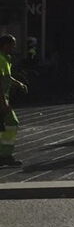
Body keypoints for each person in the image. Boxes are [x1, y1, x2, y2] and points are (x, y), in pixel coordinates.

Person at [0, 34, 27, 167]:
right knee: (12, 122)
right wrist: (3, 102)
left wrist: (18, 83)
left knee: (7, 124)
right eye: (12, 45)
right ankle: (5, 155)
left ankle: (4, 154)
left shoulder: (6, 58)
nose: (14, 48)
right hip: (1, 99)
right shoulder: (1, 59)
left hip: (3, 97)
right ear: (6, 45)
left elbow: (7, 77)